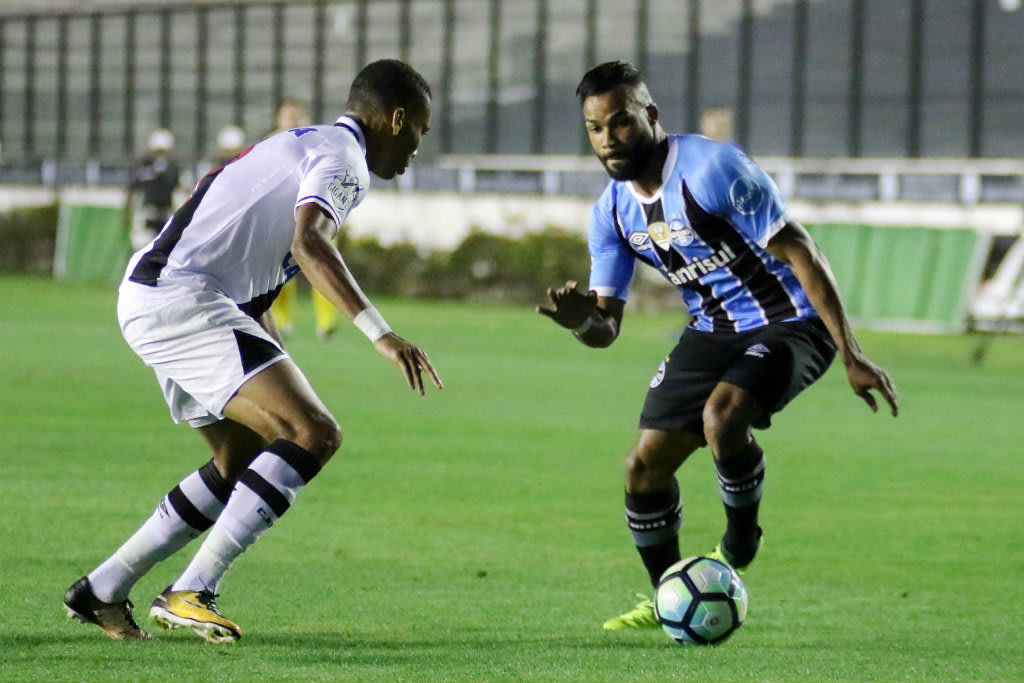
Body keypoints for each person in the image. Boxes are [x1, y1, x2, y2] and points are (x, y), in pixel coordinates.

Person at [64, 59, 442, 643]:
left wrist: (268, 342)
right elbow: (309, 241)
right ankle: (192, 590)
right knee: (314, 432)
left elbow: (250, 245)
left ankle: (104, 589)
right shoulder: (345, 160)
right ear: (396, 119)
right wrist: (380, 332)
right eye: (419, 130)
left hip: (162, 293)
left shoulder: (303, 144)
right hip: (183, 298)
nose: (417, 147)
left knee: (239, 459)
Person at [537, 61, 899, 630]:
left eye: (622, 122)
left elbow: (802, 252)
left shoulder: (714, 168)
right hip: (710, 330)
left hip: (791, 322)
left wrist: (850, 353)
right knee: (641, 468)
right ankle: (668, 600)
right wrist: (584, 322)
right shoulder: (610, 212)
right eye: (596, 129)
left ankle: (739, 542)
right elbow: (607, 330)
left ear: (650, 114)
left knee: (722, 416)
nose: (609, 139)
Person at [266, 100, 341, 341]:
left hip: (314, 215)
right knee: (280, 274)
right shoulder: (270, 144)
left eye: (296, 116)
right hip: (281, 216)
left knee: (323, 268)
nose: (291, 120)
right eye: (287, 115)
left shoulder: (318, 144)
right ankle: (282, 321)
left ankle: (326, 323)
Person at [125, 128, 182, 251]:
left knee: (166, 251)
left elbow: (181, 190)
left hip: (166, 214)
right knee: (142, 249)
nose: (160, 155)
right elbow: (131, 189)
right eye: (158, 151)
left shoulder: (173, 169)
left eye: (163, 151)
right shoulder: (143, 166)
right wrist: (127, 214)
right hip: (147, 214)